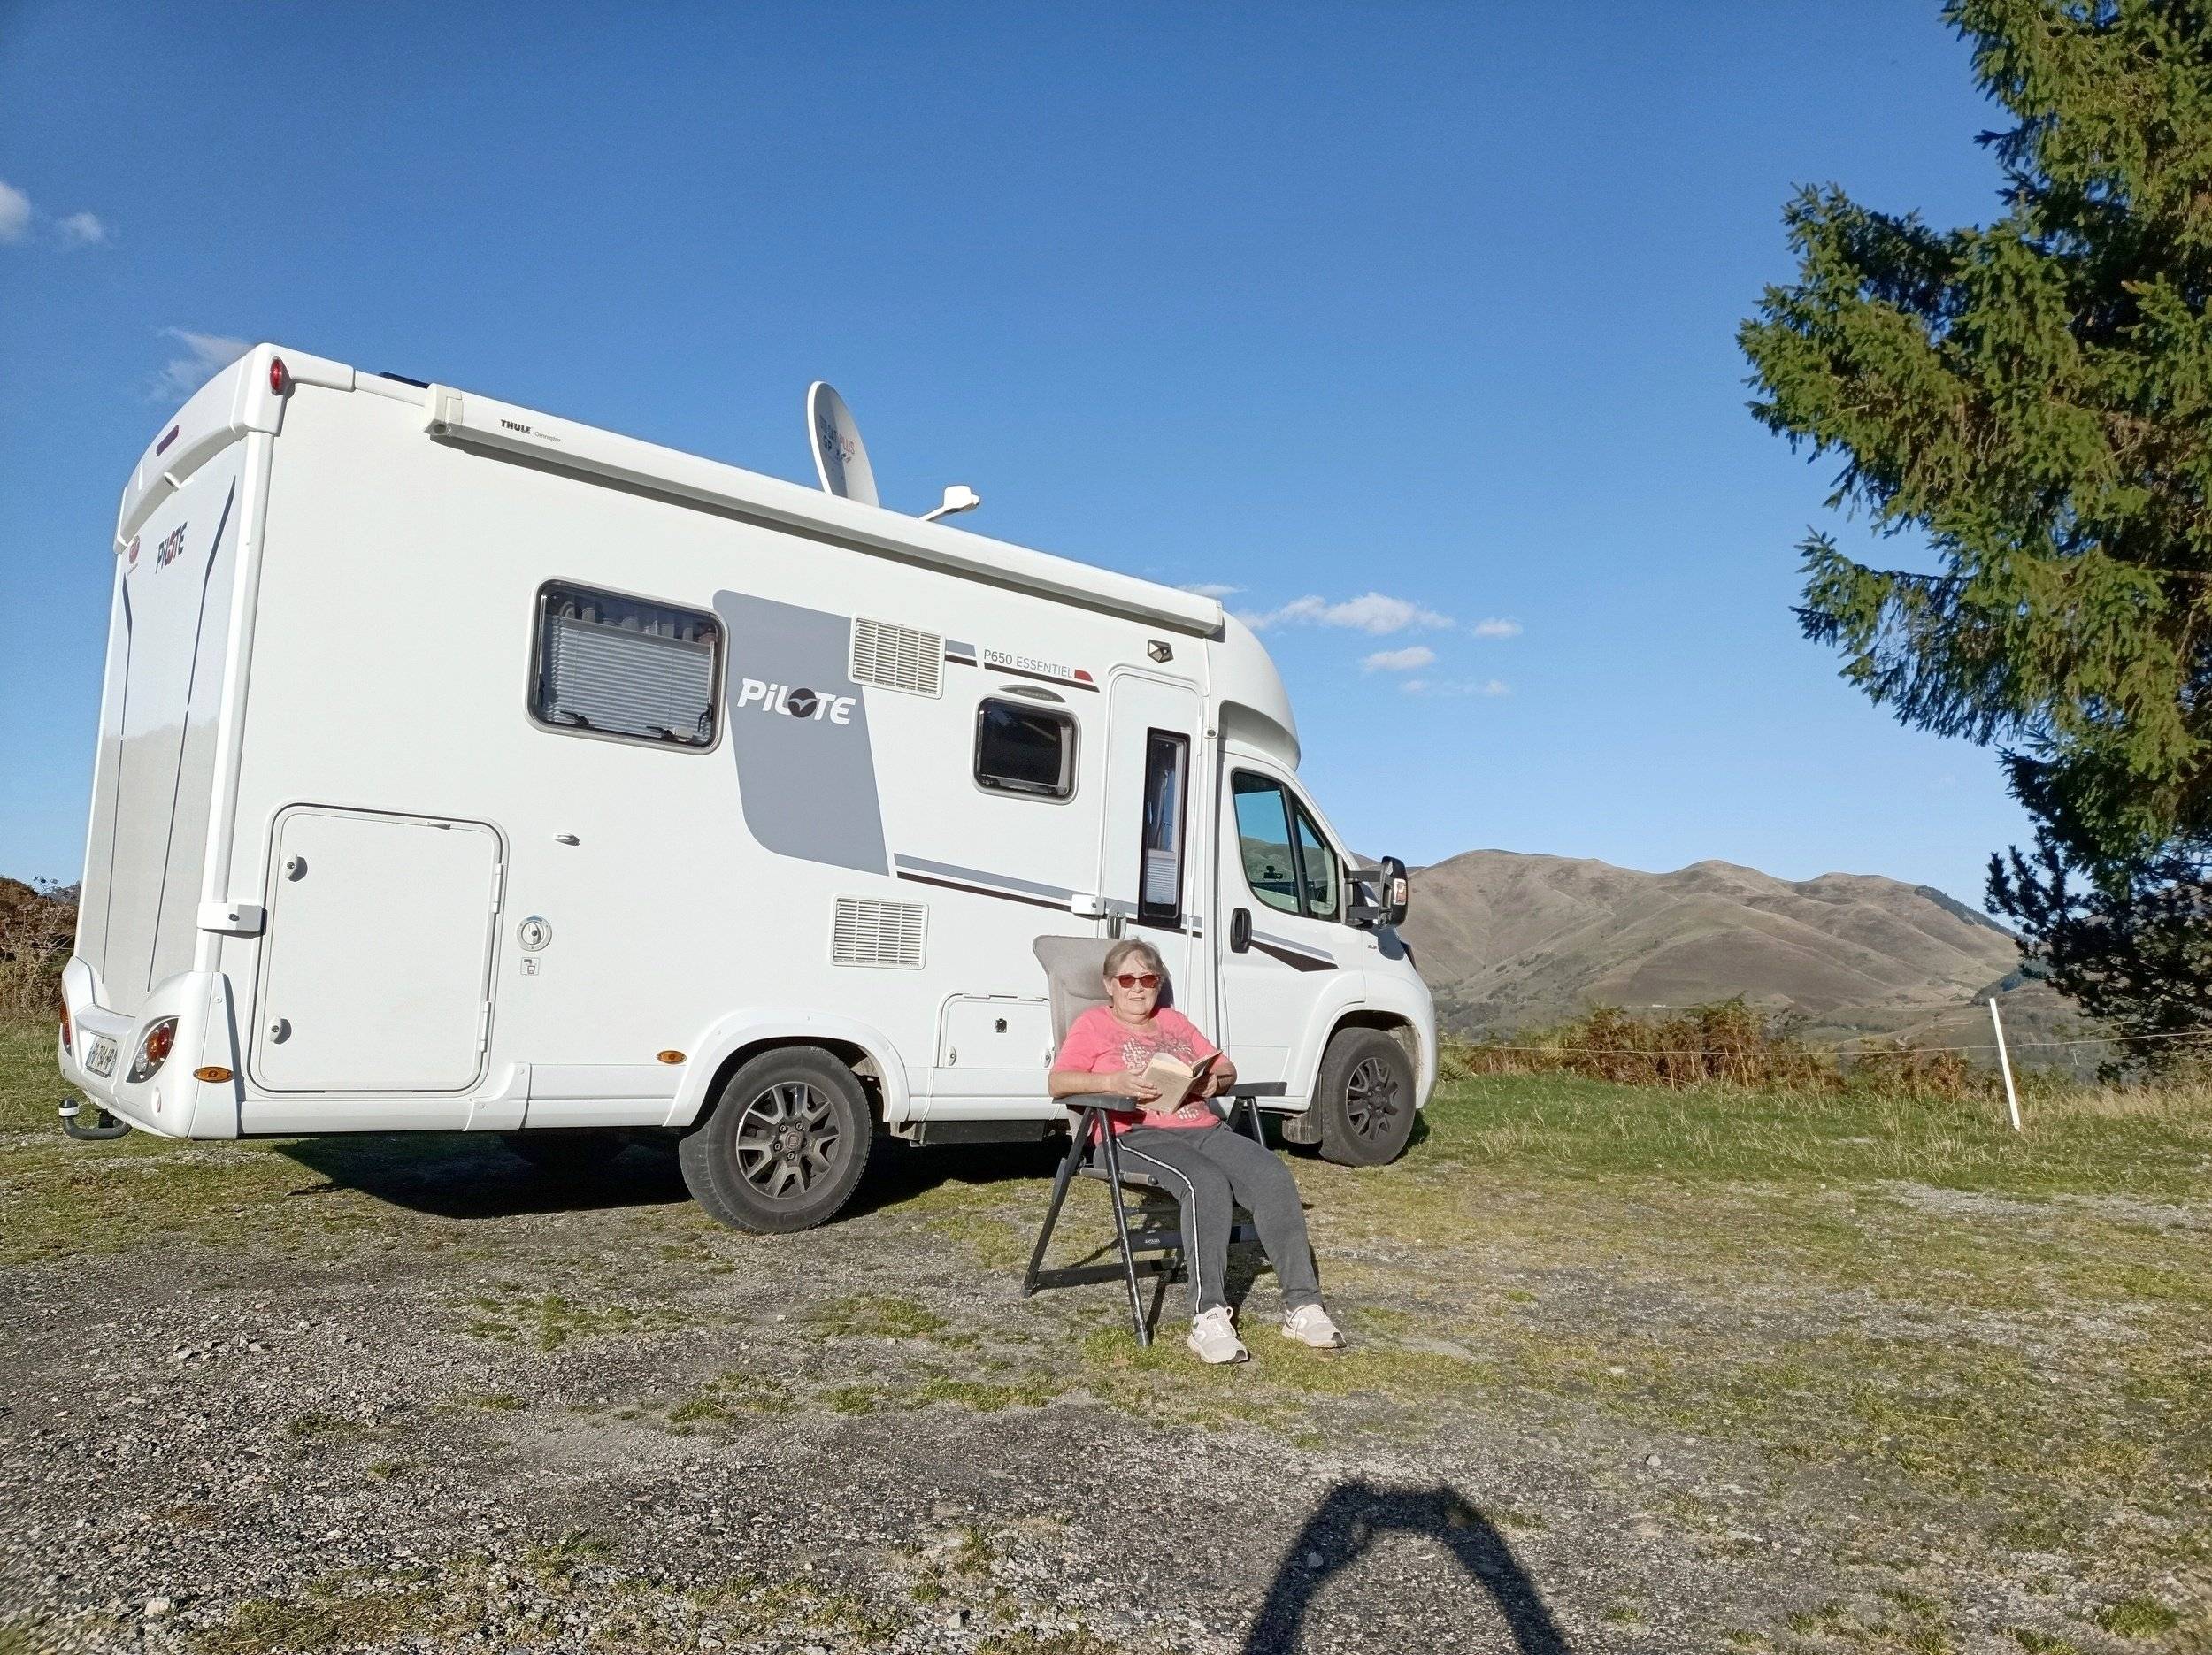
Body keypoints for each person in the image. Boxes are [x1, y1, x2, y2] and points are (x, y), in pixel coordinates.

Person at [1048, 939, 1346, 1364]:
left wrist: (1213, 1084)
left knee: (1271, 1175)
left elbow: (1224, 1067)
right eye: (1127, 979)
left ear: (1158, 983)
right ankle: (1208, 1317)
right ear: (1109, 984)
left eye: (1148, 979)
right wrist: (1114, 1083)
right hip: (1131, 1136)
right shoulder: (1094, 1025)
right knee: (1204, 1182)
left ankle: (1302, 1305)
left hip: (1201, 1128)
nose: (1138, 988)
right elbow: (1058, 1083)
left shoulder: (1174, 1022)